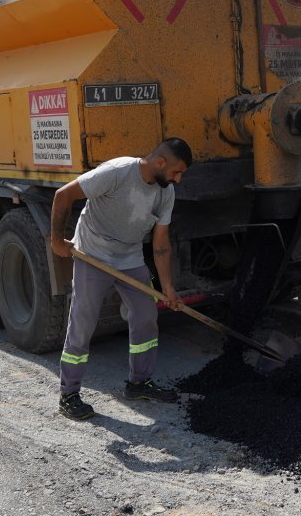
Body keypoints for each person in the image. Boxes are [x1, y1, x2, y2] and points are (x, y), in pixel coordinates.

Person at [49, 138, 193, 421]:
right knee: (83, 321)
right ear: (160, 162)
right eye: (177, 171)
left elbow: (161, 244)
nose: (178, 179)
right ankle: (69, 394)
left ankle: (139, 383)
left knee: (145, 315)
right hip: (92, 253)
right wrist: (56, 241)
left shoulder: (165, 193)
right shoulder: (116, 172)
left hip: (129, 258)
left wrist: (168, 288)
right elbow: (63, 195)